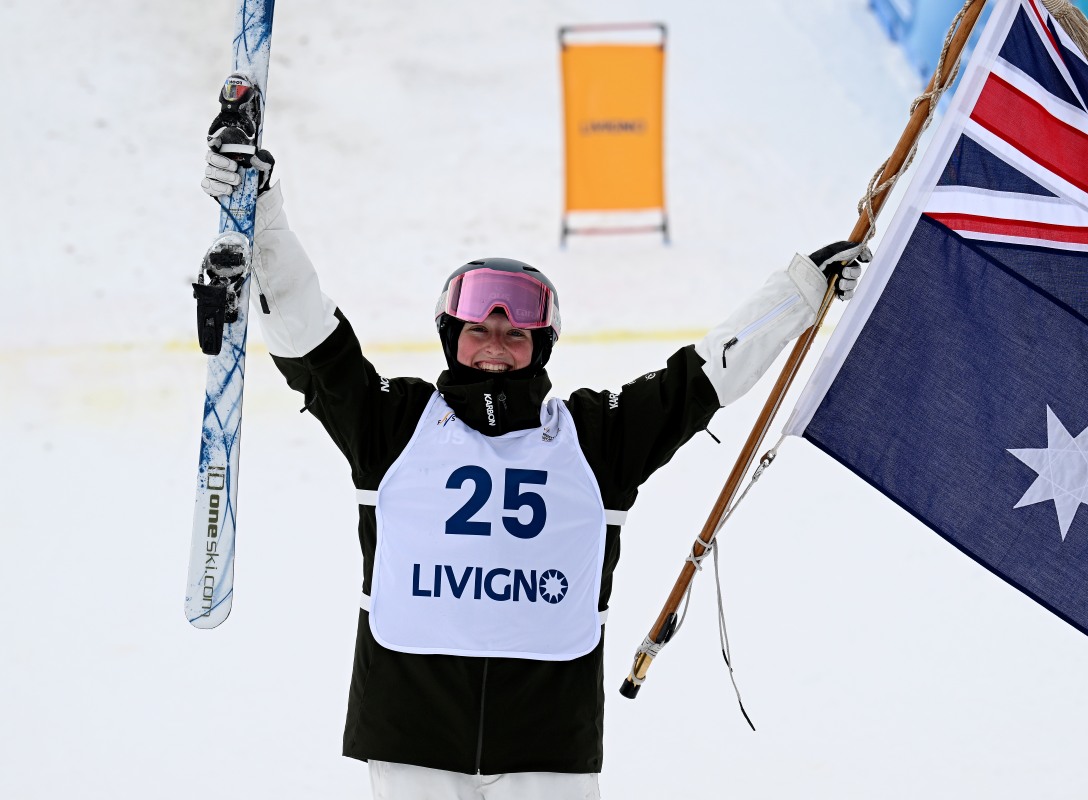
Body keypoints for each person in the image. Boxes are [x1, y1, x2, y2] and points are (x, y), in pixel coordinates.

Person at [200, 133, 862, 799]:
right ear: (451, 338)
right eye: (479, 330)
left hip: (548, 742)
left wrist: (800, 293)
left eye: (516, 334)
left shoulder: (596, 438)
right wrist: (264, 217)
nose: (496, 345)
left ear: (540, 346)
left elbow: (703, 376)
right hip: (412, 733)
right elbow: (314, 344)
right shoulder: (392, 424)